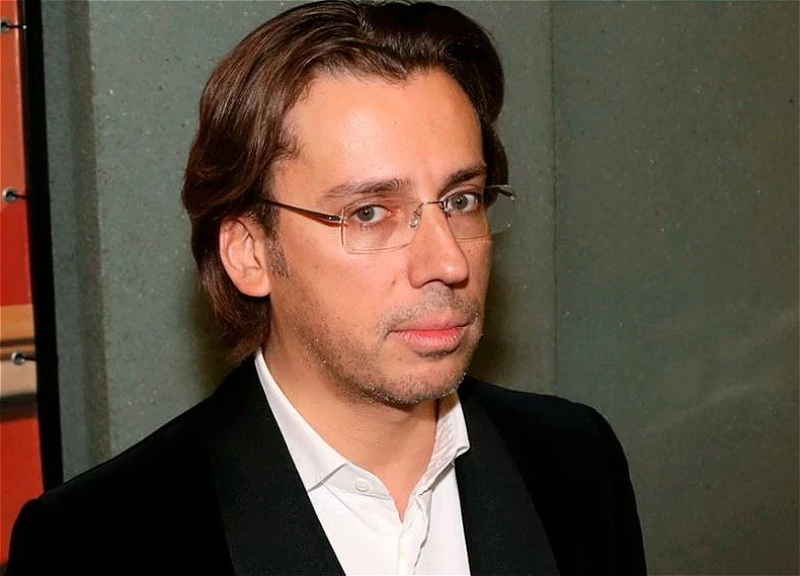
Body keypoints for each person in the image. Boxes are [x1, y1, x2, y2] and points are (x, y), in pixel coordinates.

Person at [7, 1, 645, 574]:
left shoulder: (573, 461)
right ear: (250, 252)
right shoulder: (95, 545)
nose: (448, 261)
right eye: (369, 212)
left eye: (461, 200)